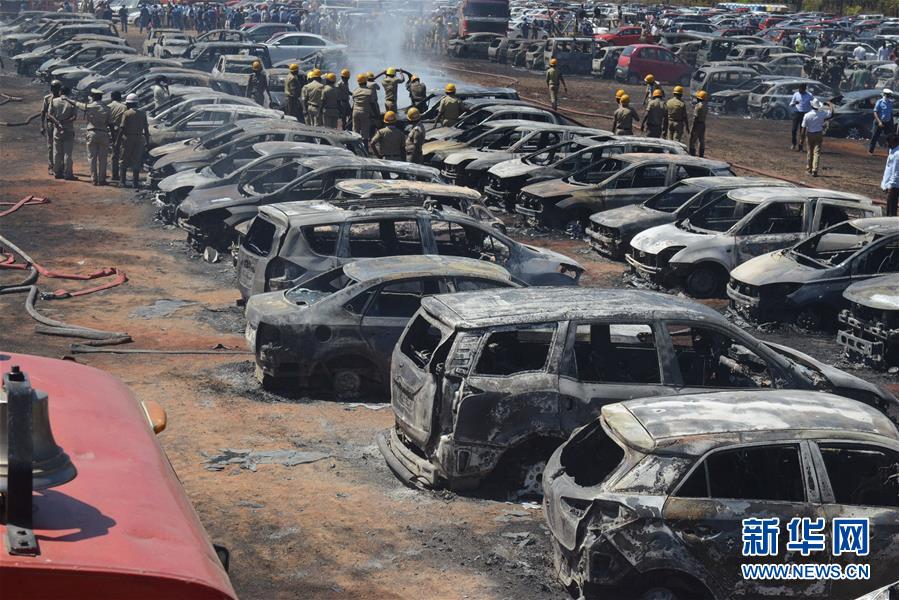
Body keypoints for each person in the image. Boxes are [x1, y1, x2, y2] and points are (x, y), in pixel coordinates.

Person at [68, 88, 111, 186]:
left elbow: (78, 105)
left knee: (92, 157)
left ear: (94, 97)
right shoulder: (107, 108)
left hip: (92, 132)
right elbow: (110, 123)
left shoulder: (90, 106)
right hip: (104, 133)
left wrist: (68, 99)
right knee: (103, 158)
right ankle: (102, 179)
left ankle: (94, 179)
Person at [115, 93, 149, 188]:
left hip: (128, 139)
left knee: (123, 160)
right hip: (139, 139)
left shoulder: (127, 113)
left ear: (129, 104)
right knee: (136, 160)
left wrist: (117, 141)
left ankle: (122, 181)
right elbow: (146, 130)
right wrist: (147, 142)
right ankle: (135, 182)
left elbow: (122, 128)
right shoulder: (142, 114)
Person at [49, 86, 77, 180]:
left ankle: (57, 172)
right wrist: (65, 122)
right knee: (68, 153)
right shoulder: (71, 103)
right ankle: (68, 174)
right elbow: (74, 117)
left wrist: (58, 123)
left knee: (57, 152)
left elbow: (49, 115)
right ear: (69, 93)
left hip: (57, 129)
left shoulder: (54, 101)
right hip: (68, 130)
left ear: (60, 92)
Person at [800, 98, 833, 177]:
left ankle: (809, 169)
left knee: (810, 152)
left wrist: (801, 139)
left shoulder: (807, 115)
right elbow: (831, 113)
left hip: (810, 134)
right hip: (818, 134)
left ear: (811, 106)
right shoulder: (822, 113)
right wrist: (830, 104)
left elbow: (803, 128)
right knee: (817, 153)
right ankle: (815, 169)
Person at [41, 80, 62, 175]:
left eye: (57, 87)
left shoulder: (63, 99)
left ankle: (60, 166)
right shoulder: (47, 98)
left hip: (60, 125)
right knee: (50, 146)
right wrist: (42, 126)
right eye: (54, 87)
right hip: (50, 124)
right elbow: (43, 112)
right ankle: (51, 166)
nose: (55, 89)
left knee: (60, 146)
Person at [107, 91, 126, 182]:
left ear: (112, 97)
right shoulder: (124, 107)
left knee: (113, 154)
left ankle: (114, 174)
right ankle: (120, 175)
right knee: (120, 154)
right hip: (120, 132)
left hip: (110, 132)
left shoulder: (108, 107)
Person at [789, 82, 814, 151]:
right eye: (799, 89)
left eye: (802, 89)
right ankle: (794, 143)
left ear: (805, 89)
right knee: (794, 129)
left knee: (802, 131)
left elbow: (814, 103)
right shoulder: (796, 94)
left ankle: (801, 146)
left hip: (805, 114)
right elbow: (791, 104)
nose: (800, 91)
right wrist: (794, 103)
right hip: (797, 113)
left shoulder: (809, 95)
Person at [870, 89, 895, 155]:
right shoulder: (879, 102)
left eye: (889, 95)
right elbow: (875, 112)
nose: (889, 96)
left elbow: (890, 113)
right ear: (884, 95)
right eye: (888, 95)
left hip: (887, 122)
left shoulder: (890, 103)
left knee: (889, 137)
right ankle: (871, 151)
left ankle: (889, 152)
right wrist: (879, 122)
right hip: (879, 122)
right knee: (875, 136)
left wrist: (891, 122)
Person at [351, 73, 374, 143]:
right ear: (366, 82)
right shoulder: (369, 91)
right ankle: (365, 148)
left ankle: (355, 148)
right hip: (364, 112)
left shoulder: (355, 91)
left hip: (355, 112)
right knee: (365, 131)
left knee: (355, 131)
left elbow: (353, 103)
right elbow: (372, 104)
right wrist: (375, 114)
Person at [881, 133, 899, 216]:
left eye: (889, 142)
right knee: (889, 207)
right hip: (890, 185)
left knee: (891, 209)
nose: (887, 144)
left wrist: (891, 186)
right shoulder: (892, 151)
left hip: (894, 187)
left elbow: (896, 171)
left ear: (894, 142)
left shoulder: (897, 154)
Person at [689, 90, 708, 157]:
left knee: (692, 140)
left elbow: (696, 117)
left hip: (697, 124)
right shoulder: (706, 105)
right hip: (703, 124)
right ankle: (701, 155)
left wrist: (693, 127)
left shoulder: (698, 106)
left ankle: (692, 155)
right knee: (701, 140)